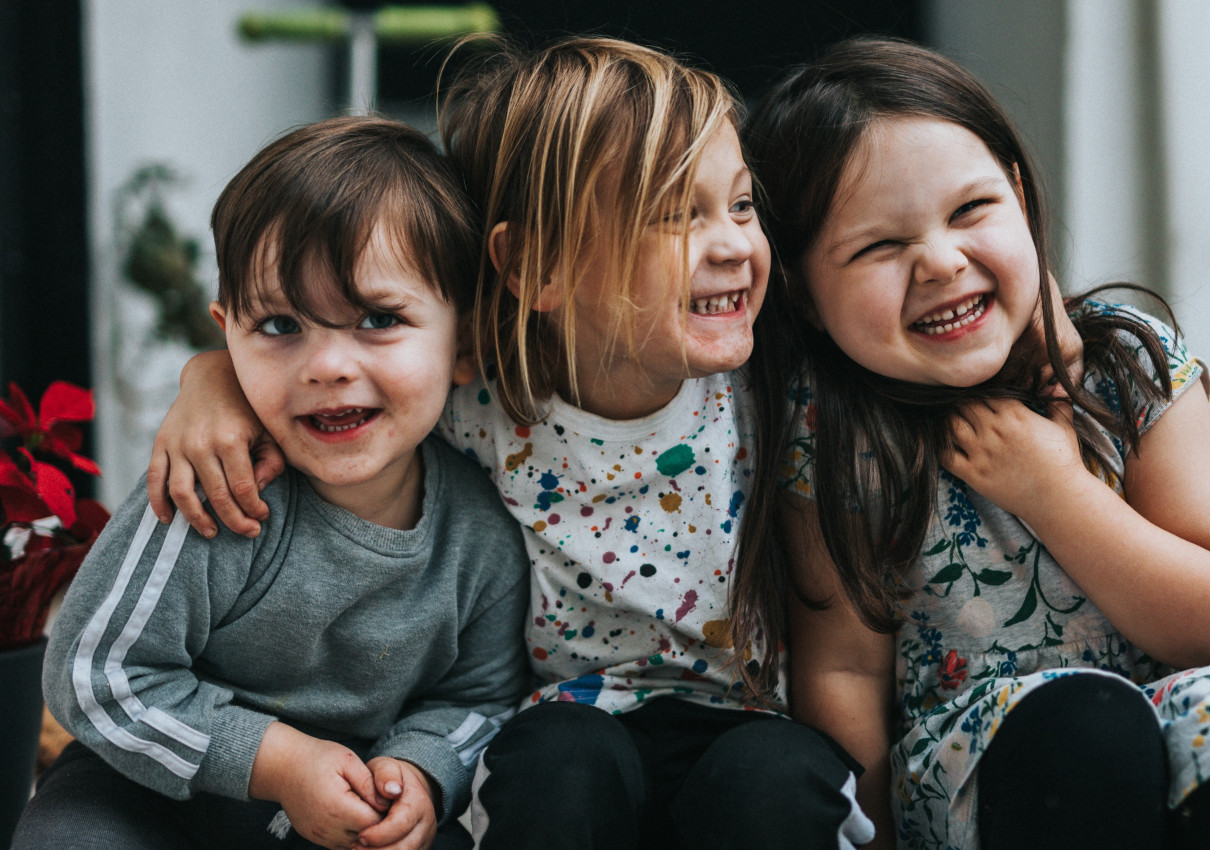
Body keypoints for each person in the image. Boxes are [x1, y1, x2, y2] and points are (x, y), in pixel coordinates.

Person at [133, 38, 879, 849]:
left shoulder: (777, 386)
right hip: (569, 724)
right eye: (673, 215)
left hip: (747, 725)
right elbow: (357, 378)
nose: (734, 244)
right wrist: (212, 381)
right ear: (536, 266)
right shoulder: (484, 398)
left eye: (740, 205)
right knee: (558, 767)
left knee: (777, 780)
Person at [735, 35, 1210, 850]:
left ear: (1021, 198)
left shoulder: (1126, 365)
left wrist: (1055, 490)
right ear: (804, 295)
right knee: (1087, 728)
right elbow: (843, 673)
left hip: (1175, 720)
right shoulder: (836, 434)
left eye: (970, 211)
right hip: (983, 761)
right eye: (880, 247)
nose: (942, 261)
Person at [13, 116, 530, 850]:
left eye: (378, 319)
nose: (326, 366)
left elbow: (479, 697)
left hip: (352, 803)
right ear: (226, 334)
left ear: (467, 342)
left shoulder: (479, 534)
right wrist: (276, 761)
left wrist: (419, 767)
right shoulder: (213, 491)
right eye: (281, 325)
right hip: (154, 791)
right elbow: (95, 673)